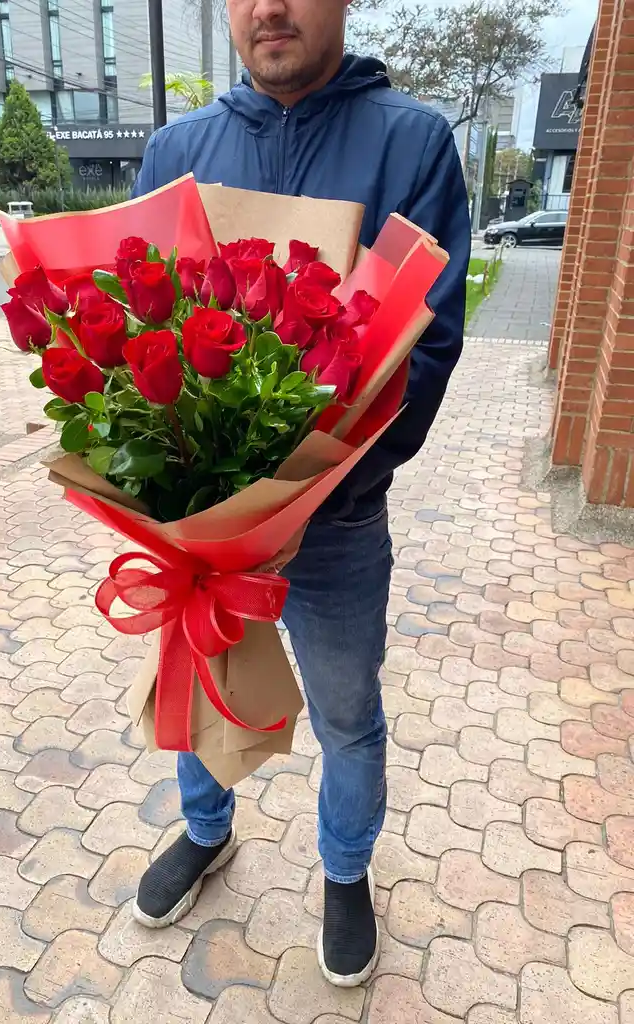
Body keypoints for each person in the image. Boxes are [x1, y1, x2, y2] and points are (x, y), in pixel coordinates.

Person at [130, 0, 471, 988]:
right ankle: (206, 829)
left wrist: (303, 496)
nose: (268, 9)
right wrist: (199, 496)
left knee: (346, 710)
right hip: (205, 524)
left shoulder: (409, 143)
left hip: (341, 523)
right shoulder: (178, 150)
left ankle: (346, 867)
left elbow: (430, 342)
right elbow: (127, 308)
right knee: (200, 685)